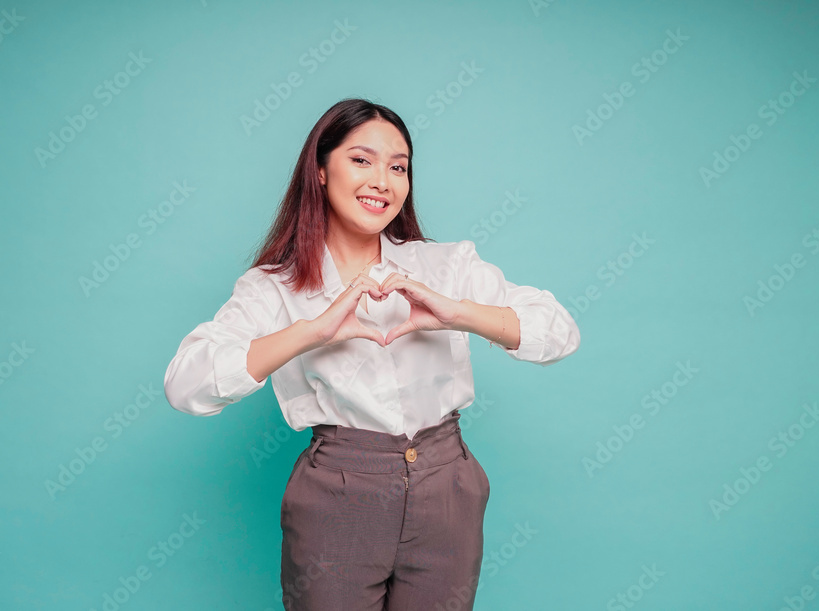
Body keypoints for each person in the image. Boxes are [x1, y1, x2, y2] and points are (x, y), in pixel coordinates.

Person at [163, 98, 580, 610]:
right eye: (362, 160)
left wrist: (458, 314)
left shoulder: (446, 264)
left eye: (398, 166)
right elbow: (185, 385)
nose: (383, 180)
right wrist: (310, 333)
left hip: (447, 487)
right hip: (337, 496)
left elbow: (559, 332)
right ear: (319, 170)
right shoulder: (274, 287)